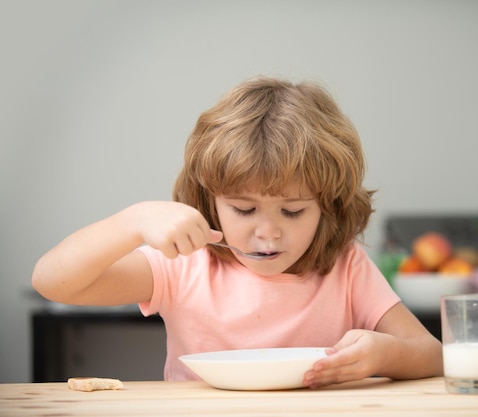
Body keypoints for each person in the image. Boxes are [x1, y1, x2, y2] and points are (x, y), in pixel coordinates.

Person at [32, 77, 443, 388]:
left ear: (327, 206)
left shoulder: (345, 267)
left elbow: (432, 354)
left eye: (294, 211)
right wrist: (131, 221)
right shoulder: (184, 265)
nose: (268, 233)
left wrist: (383, 356)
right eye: (244, 209)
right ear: (211, 201)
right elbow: (54, 283)